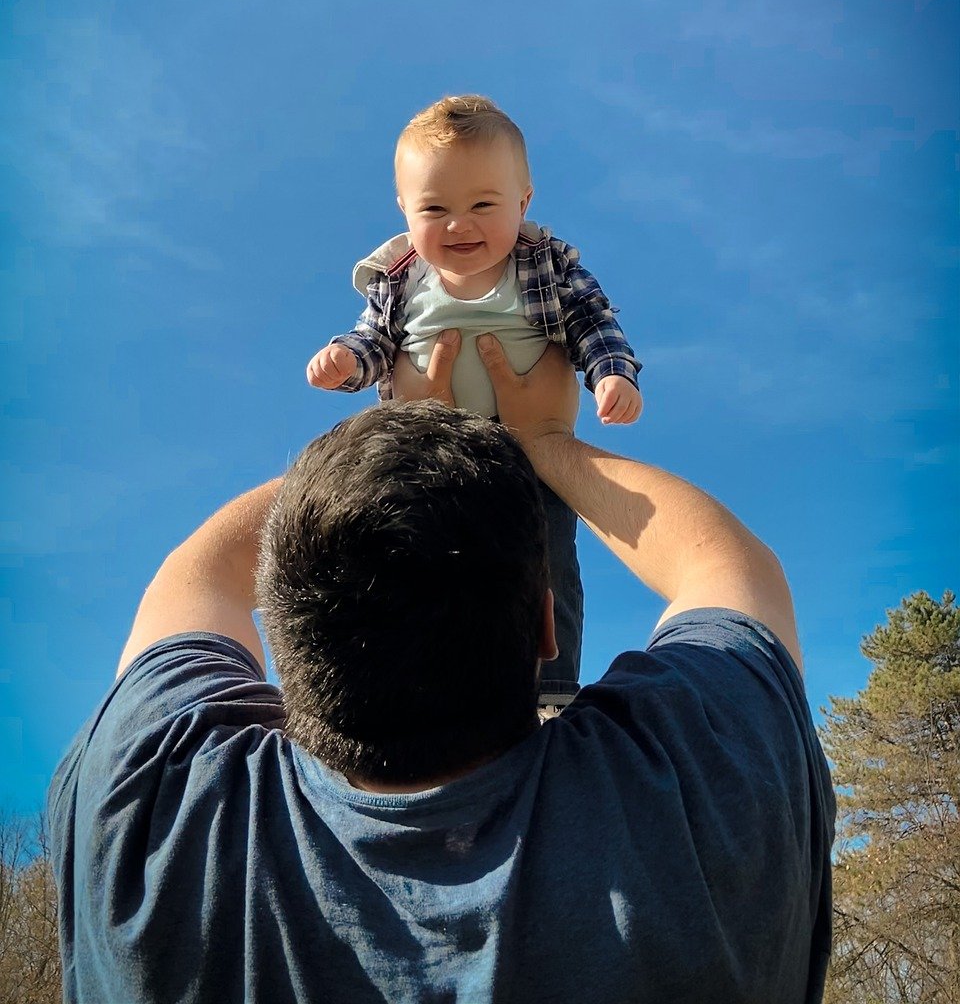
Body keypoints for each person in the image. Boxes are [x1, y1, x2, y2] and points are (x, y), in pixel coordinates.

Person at [47, 336, 835, 1004]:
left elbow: (200, 573)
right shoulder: (700, 795)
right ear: (547, 625)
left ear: (281, 634)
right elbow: (728, 565)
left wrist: (391, 427)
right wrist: (543, 439)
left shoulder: (150, 815)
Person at [304, 94, 643, 707]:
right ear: (405, 210)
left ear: (523, 203)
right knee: (418, 561)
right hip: (427, 458)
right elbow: (373, 340)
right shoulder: (401, 279)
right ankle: (419, 691)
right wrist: (346, 361)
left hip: (528, 459)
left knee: (544, 562)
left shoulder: (546, 265)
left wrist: (611, 375)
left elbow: (592, 322)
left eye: (483, 205)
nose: (459, 225)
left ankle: (550, 689)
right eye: (435, 208)